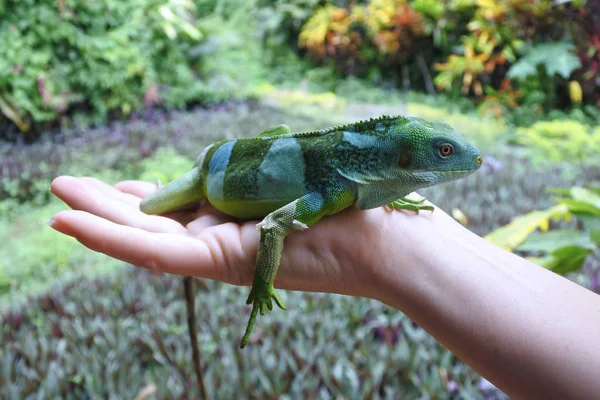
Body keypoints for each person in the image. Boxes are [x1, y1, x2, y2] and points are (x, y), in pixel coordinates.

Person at [49, 175, 600, 399]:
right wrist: (261, 284)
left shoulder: (361, 187)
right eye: (441, 158)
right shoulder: (333, 186)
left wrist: (404, 232)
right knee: (145, 207)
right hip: (215, 171)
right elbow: (270, 226)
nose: (464, 166)